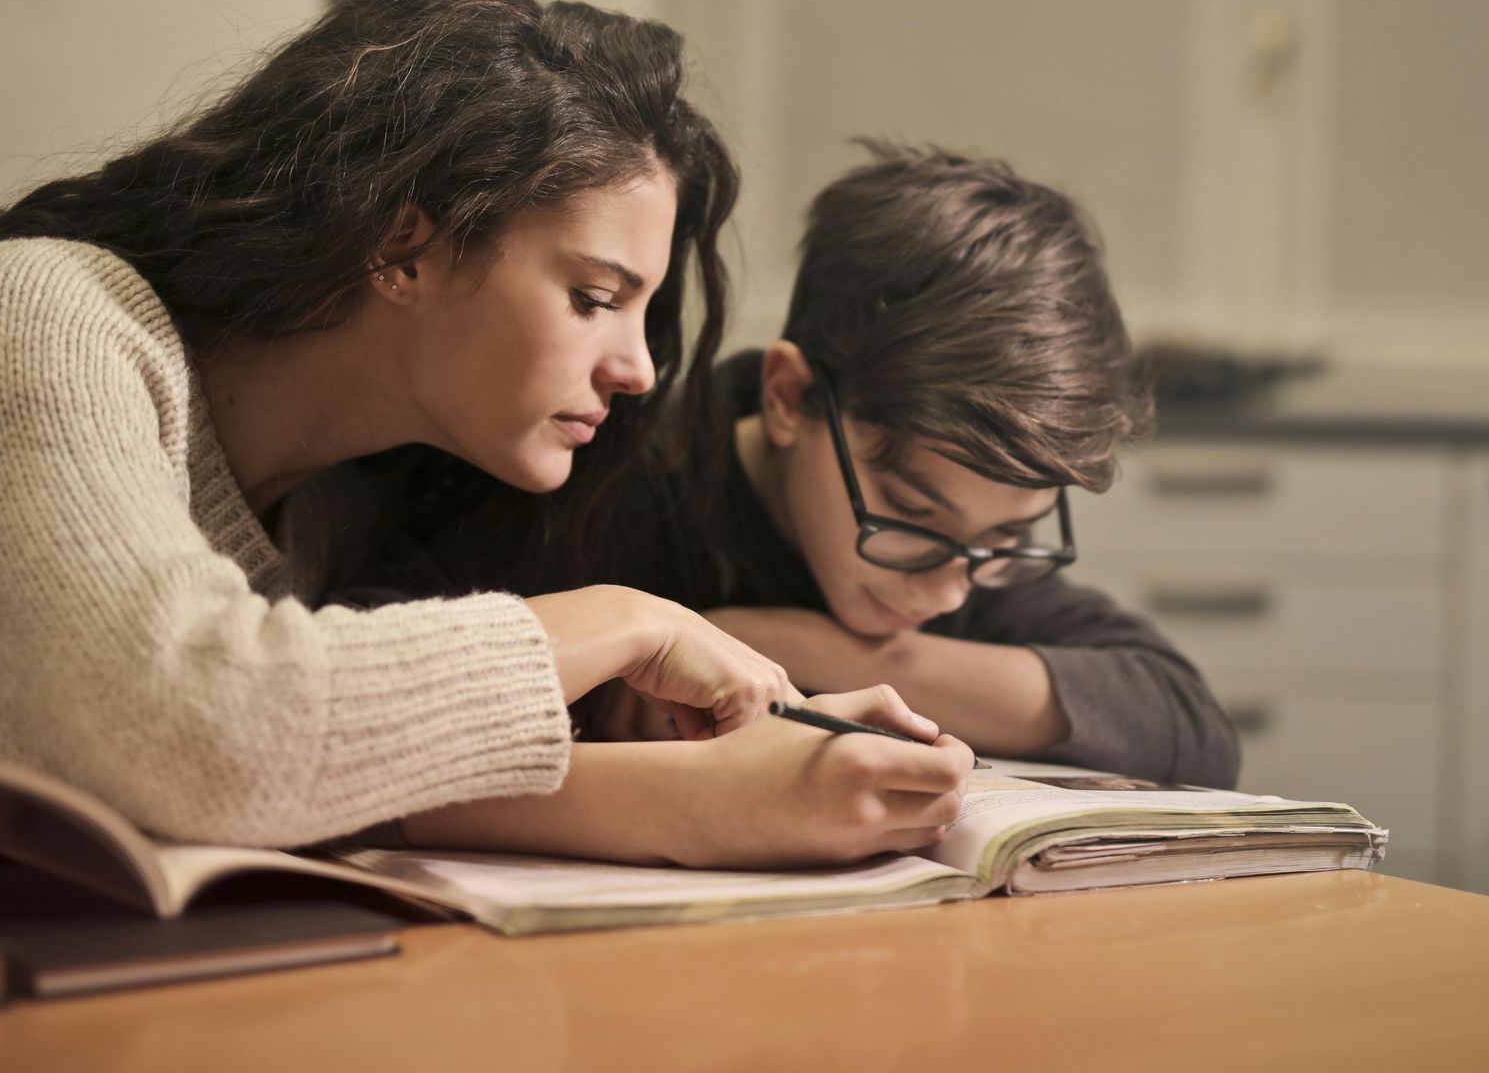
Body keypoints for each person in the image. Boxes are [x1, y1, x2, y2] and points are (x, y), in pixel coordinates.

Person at [0, 0, 969, 870]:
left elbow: (310, 775)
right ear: (403, 246)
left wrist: (722, 781)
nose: (640, 368)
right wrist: (625, 620)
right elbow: (212, 732)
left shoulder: (348, 501)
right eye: (596, 296)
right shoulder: (42, 313)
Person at [376, 143, 1240, 787]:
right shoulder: (599, 480)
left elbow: (1188, 727)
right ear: (789, 398)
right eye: (911, 517)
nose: (948, 591)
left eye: (1009, 539)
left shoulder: (969, 553)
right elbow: (366, 690)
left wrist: (810, 649)